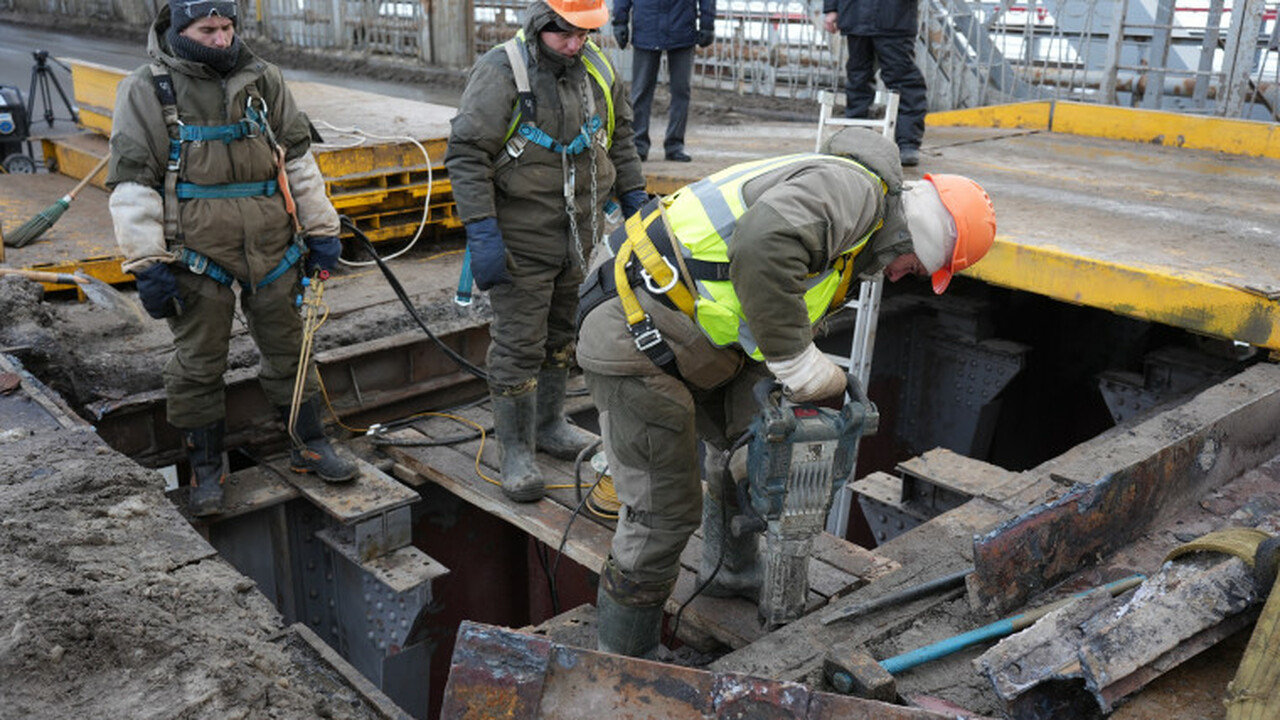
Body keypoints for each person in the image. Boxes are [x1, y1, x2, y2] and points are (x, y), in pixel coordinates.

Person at [576, 128, 996, 657]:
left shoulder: (856, 233)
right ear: (923, 240)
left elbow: (763, 297)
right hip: (631, 330)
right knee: (663, 512)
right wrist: (797, 363)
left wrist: (793, 394)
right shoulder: (855, 194)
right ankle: (626, 656)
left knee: (752, 448)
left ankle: (731, 568)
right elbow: (763, 247)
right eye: (916, 268)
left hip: (687, 331)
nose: (903, 276)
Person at [107, 0, 357, 518]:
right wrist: (147, 263)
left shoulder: (264, 79)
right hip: (196, 253)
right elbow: (133, 181)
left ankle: (309, 443)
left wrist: (321, 231)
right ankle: (205, 467)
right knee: (198, 365)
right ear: (180, 31)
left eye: (227, 28)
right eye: (207, 29)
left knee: (292, 348)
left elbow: (300, 163)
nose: (221, 39)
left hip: (273, 246)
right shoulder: (146, 89)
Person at [445, 0, 649, 503]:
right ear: (541, 25)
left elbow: (620, 138)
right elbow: (467, 154)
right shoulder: (501, 72)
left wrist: (636, 200)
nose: (576, 44)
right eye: (566, 35)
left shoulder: (597, 68)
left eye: (584, 34)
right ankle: (515, 449)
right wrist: (482, 230)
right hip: (521, 240)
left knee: (563, 332)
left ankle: (551, 424)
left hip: (580, 236)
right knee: (519, 344)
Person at [823, 0, 929, 166]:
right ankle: (858, 142)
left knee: (903, 80)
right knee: (858, 80)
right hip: (856, 16)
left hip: (894, 17)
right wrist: (831, 9)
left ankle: (907, 143)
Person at [611, 0, 716, 162]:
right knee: (641, 91)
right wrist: (619, 21)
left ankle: (675, 145)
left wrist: (707, 23)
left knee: (681, 91)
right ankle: (638, 144)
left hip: (681, 28)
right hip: (648, 28)